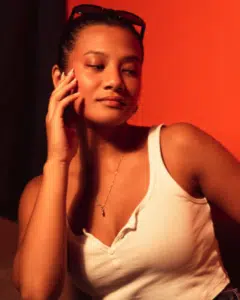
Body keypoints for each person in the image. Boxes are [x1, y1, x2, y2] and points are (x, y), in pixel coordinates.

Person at [11, 4, 240, 300]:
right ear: (59, 79)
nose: (116, 81)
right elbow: (37, 293)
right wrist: (57, 161)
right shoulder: (40, 193)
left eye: (130, 70)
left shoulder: (179, 147)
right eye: (96, 65)